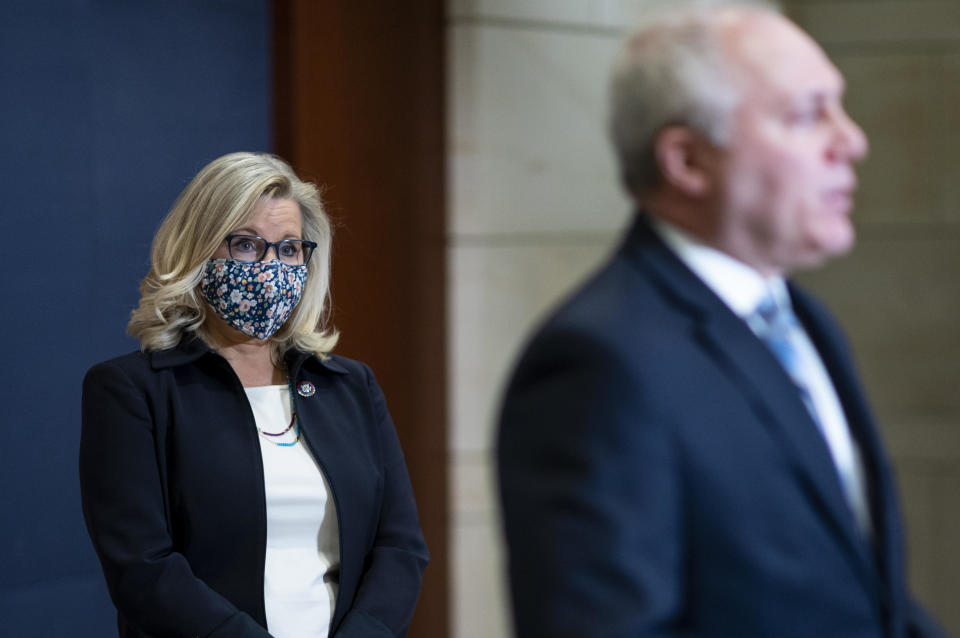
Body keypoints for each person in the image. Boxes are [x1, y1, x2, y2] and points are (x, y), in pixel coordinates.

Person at [497, 4, 948, 638]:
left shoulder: (806, 322)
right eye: (807, 114)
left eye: (839, 107)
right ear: (687, 161)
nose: (852, 141)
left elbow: (864, 597)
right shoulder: (599, 364)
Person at [80, 152, 428, 638]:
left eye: (288, 250)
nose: (270, 267)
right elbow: (142, 567)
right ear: (198, 252)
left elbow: (400, 546)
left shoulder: (350, 387)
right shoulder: (133, 391)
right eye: (246, 245)